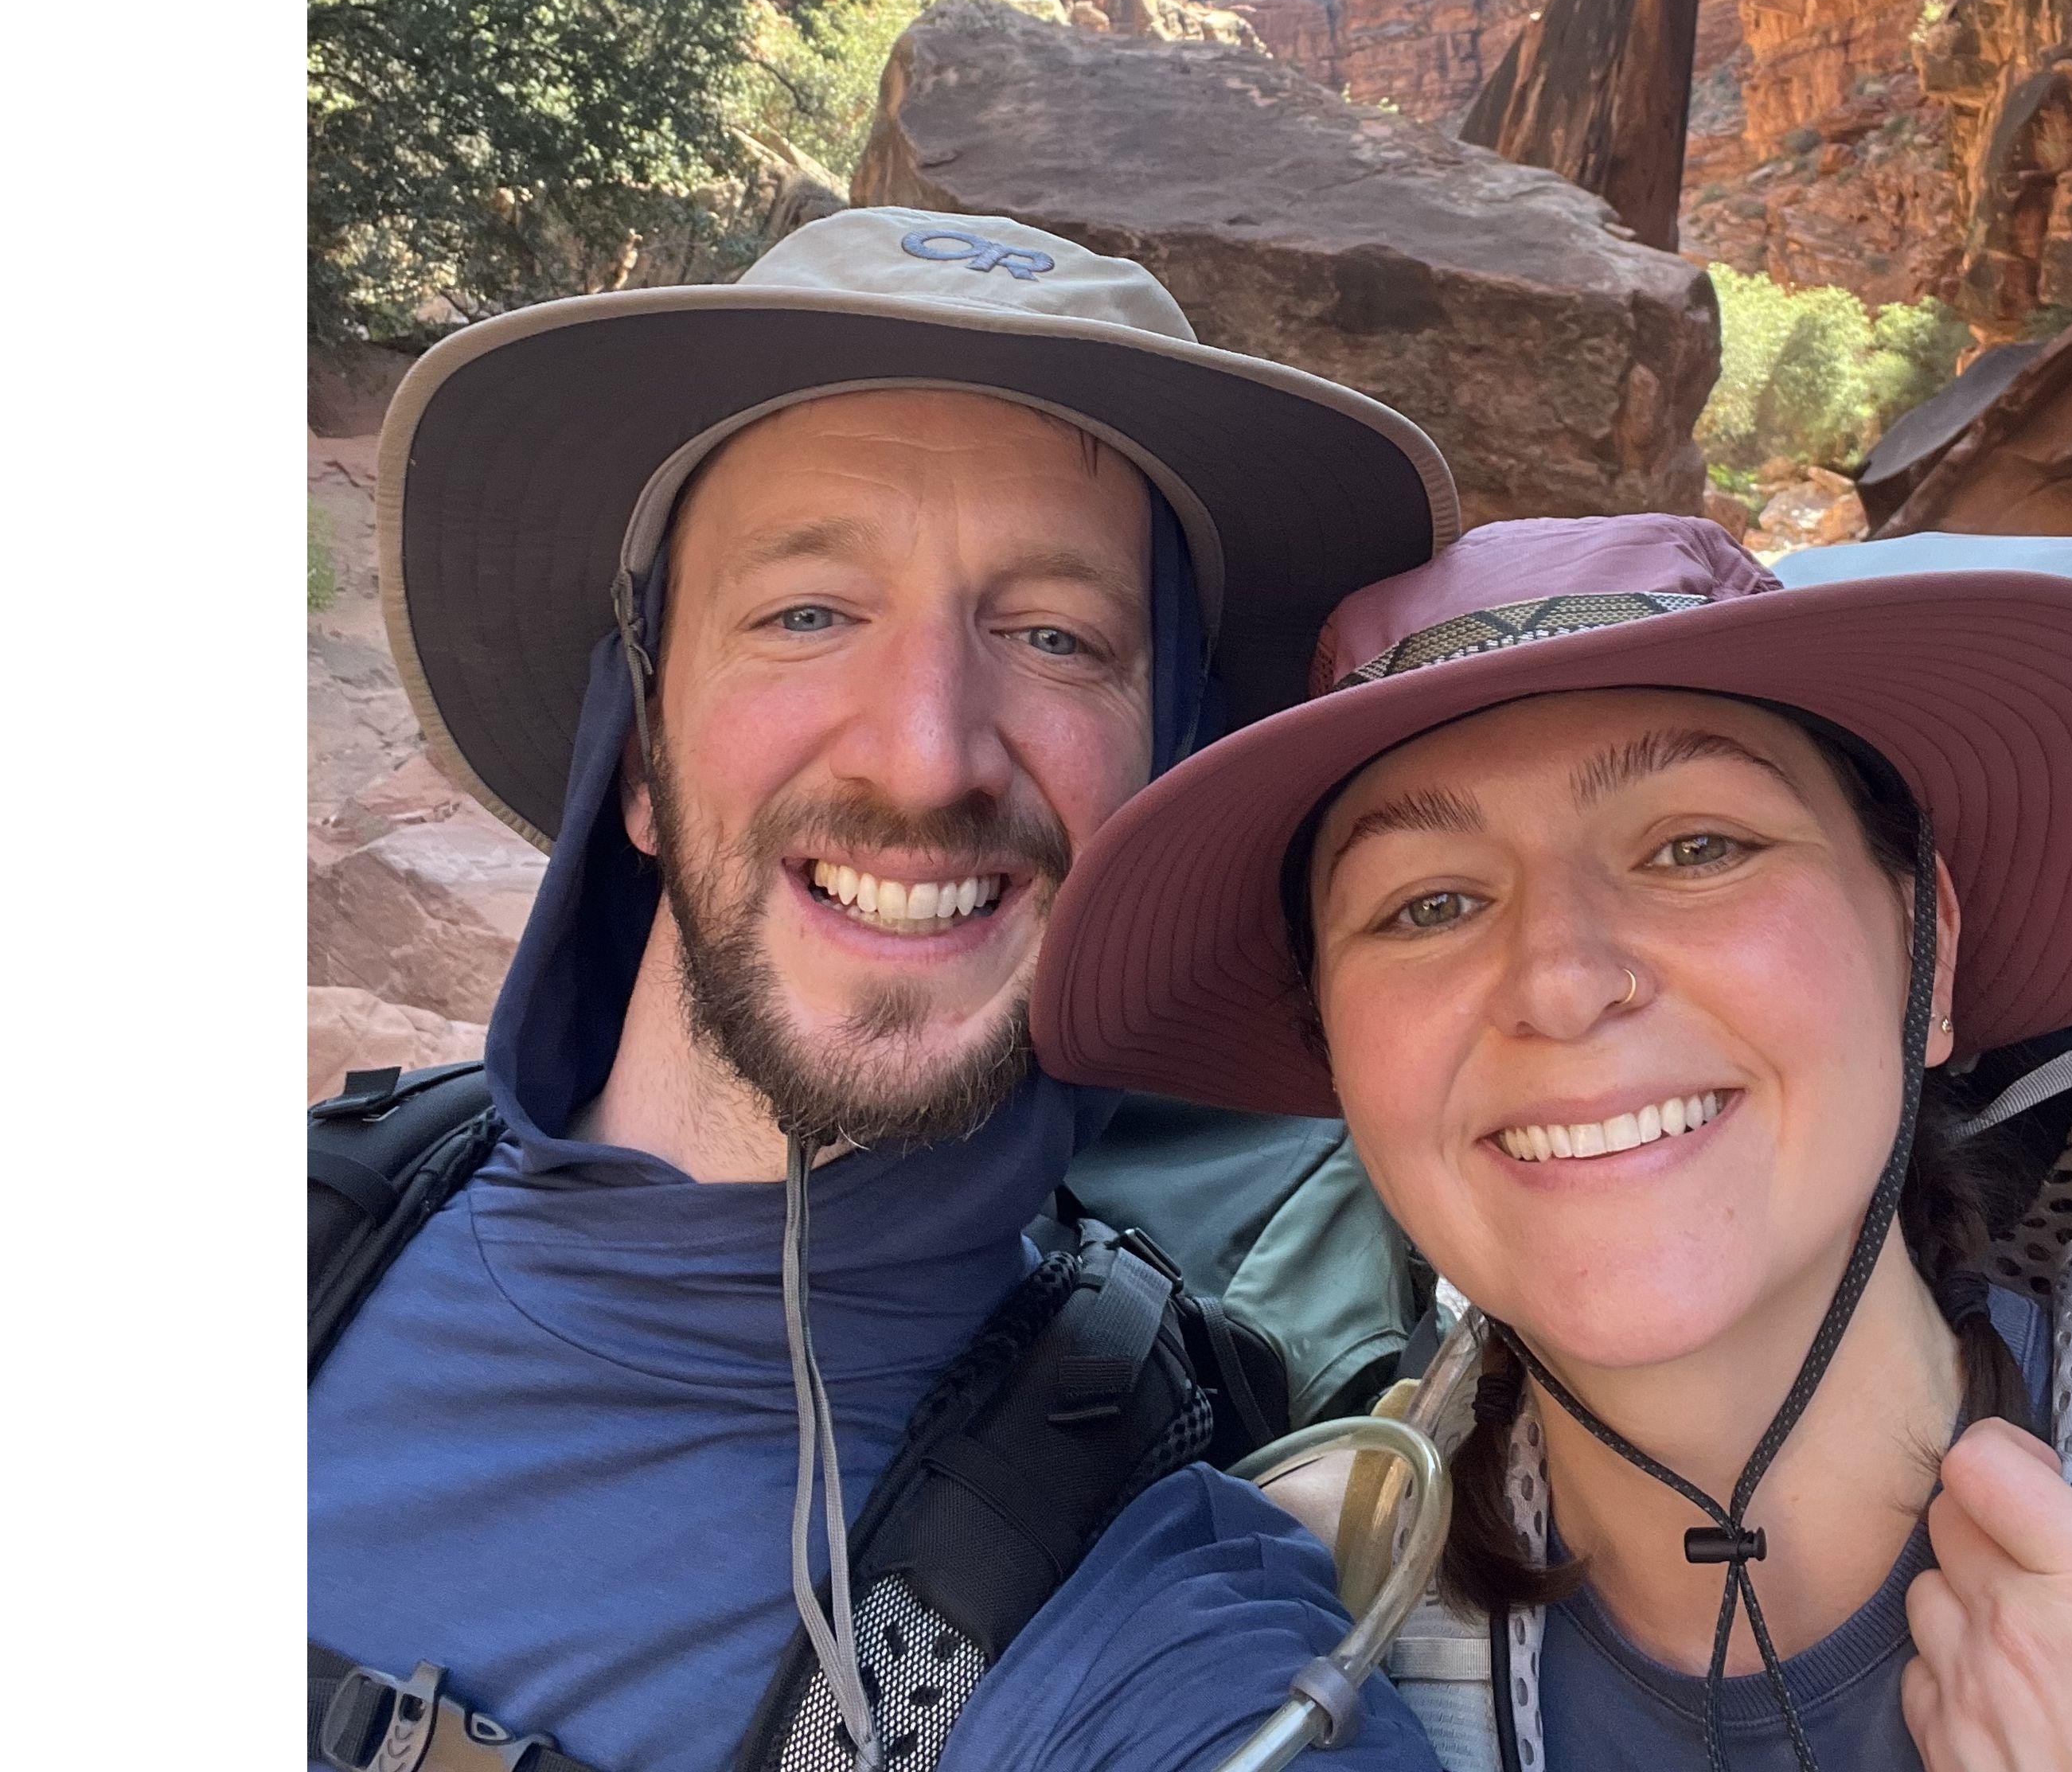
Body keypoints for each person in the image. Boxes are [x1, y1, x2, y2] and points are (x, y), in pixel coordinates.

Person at [309, 205, 1465, 1772]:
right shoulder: (313, 1225)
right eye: (808, 613)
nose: (925, 755)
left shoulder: (1160, 1625)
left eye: (1055, 636)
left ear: (1161, 789)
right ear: (637, 757)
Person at [1031, 512, 2072, 1772]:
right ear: (1336, 1054)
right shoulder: (1270, 1632)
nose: (1561, 983)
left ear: (1923, 948)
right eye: (1430, 905)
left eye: (1698, 848)